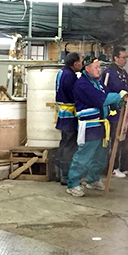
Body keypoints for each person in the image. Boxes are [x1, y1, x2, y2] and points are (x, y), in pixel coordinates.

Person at [67, 55, 124, 197]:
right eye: (96, 67)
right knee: (83, 157)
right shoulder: (82, 84)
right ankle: (73, 184)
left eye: (99, 67)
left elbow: (108, 98)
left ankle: (92, 180)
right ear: (87, 68)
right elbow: (100, 99)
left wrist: (117, 103)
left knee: (100, 156)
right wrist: (119, 96)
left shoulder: (98, 83)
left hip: (101, 126)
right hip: (90, 126)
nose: (99, 69)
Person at [101, 46, 128, 178]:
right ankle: (112, 167)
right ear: (115, 58)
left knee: (125, 140)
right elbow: (107, 91)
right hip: (114, 112)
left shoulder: (123, 72)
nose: (125, 60)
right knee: (115, 140)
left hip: (124, 111)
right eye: (123, 57)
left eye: (126, 57)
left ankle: (124, 165)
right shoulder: (109, 73)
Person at [54, 52, 82, 185]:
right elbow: (74, 94)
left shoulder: (61, 72)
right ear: (75, 64)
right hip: (70, 114)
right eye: (80, 62)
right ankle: (66, 175)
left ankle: (58, 173)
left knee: (64, 142)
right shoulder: (70, 76)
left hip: (63, 113)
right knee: (70, 145)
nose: (81, 65)